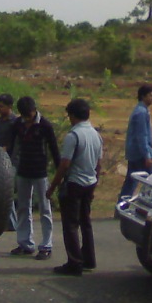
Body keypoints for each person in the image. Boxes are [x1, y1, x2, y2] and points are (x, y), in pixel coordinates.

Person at [46, 98, 103, 276]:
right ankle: (88, 259)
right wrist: (95, 182)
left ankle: (74, 262)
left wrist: (52, 187)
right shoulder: (95, 134)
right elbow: (98, 163)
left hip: (75, 183)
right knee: (85, 222)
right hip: (90, 182)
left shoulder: (74, 135)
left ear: (72, 115)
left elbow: (64, 165)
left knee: (70, 224)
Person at [6, 96, 60, 260]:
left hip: (40, 173)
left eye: (28, 116)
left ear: (34, 110)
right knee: (23, 208)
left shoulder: (45, 125)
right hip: (23, 171)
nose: (27, 119)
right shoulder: (18, 124)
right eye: (24, 116)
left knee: (44, 209)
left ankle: (46, 245)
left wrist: (60, 173)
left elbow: (54, 150)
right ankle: (25, 243)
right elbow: (11, 145)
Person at [118, 84, 152, 201]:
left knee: (131, 181)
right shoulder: (141, 112)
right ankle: (149, 204)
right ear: (143, 96)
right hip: (140, 153)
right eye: (151, 95)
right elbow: (142, 136)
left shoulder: (141, 110)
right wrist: (147, 155)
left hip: (135, 152)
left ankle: (122, 204)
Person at [0, 93, 18, 233]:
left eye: (1, 106)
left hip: (11, 161)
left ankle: (12, 224)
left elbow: (16, 143)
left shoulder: (15, 123)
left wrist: (6, 149)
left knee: (7, 193)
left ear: (9, 106)